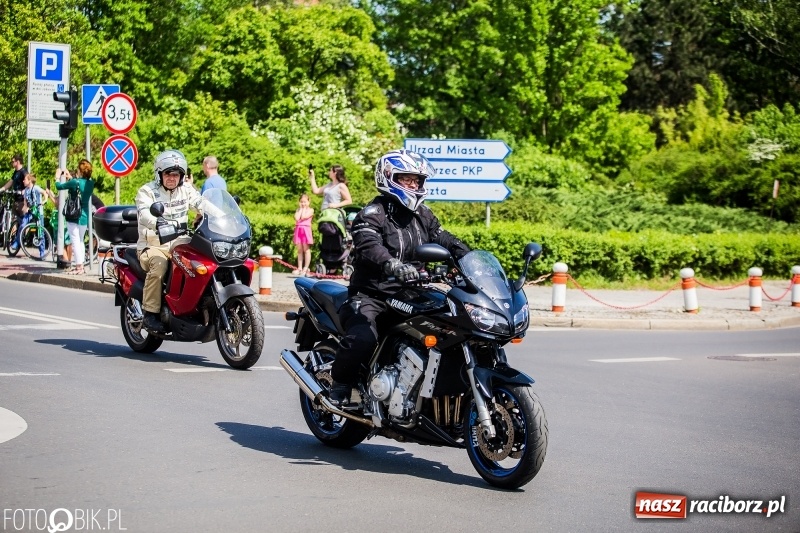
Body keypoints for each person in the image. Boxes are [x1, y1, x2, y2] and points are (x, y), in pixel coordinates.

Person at [328, 149, 471, 405]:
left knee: (453, 326)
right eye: (407, 179)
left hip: (412, 293)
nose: (414, 185)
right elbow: (369, 245)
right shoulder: (372, 214)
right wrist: (392, 265)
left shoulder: (423, 215)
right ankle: (339, 386)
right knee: (363, 338)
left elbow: (443, 238)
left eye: (417, 180)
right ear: (388, 177)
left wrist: (468, 256)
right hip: (373, 294)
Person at [135, 149, 205, 333]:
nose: (172, 178)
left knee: (202, 260)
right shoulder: (147, 191)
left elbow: (201, 203)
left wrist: (221, 213)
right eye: (168, 173)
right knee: (159, 265)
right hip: (153, 245)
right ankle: (150, 314)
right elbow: (144, 214)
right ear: (159, 174)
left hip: (179, 242)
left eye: (176, 174)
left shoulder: (186, 189)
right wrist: (158, 223)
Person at [55, 159, 95, 275]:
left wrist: (57, 177)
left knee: (75, 241)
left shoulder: (75, 182)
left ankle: (79, 266)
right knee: (81, 240)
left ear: (80, 171)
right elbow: (79, 186)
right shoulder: (90, 184)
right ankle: (81, 266)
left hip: (73, 215)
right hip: (84, 215)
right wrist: (70, 177)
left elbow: (59, 186)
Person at [12, 173, 48, 258]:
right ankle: (17, 242)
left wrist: (44, 201)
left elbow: (44, 193)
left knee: (40, 231)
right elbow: (25, 202)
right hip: (30, 211)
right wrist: (25, 208)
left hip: (38, 212)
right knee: (23, 224)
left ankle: (42, 252)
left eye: (25, 179)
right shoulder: (26, 191)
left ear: (29, 181)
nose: (23, 181)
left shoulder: (36, 188)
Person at [292, 193, 314, 276]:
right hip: (298, 229)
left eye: (305, 202)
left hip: (306, 230)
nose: (303, 203)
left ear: (309, 202)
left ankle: (306, 267)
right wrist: (300, 209)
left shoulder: (311, 210)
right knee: (299, 250)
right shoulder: (298, 210)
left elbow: (304, 217)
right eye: (301, 202)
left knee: (306, 249)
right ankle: (299, 267)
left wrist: (304, 209)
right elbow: (297, 218)